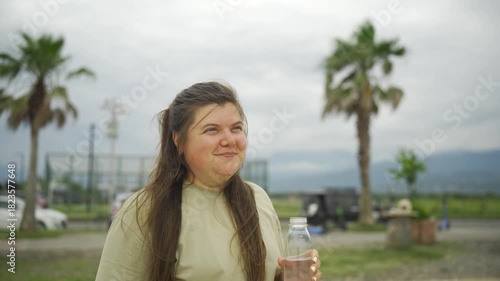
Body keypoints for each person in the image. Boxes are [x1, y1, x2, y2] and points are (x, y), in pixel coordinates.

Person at [95, 81, 322, 281]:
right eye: (212, 130)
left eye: (236, 128)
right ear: (178, 141)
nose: (229, 140)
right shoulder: (143, 210)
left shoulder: (257, 198)